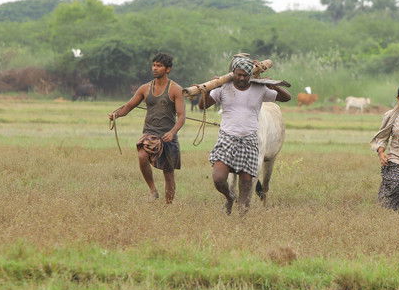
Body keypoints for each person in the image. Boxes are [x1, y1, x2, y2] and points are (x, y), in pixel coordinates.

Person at [200, 56, 291, 215]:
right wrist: (208, 88)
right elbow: (203, 105)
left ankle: (242, 217)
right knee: (218, 179)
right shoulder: (223, 87)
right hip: (226, 139)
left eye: (245, 75)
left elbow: (287, 98)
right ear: (232, 73)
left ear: (250, 75)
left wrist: (272, 85)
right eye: (238, 75)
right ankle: (229, 197)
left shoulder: (260, 89)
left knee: (246, 184)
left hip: (249, 141)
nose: (242, 78)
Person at [108, 53, 185, 203]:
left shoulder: (175, 89)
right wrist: (116, 115)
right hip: (149, 133)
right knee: (142, 155)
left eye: (159, 66)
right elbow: (129, 106)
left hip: (167, 136)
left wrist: (172, 132)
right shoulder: (144, 88)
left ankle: (168, 207)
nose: (155, 68)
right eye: (154, 65)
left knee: (168, 174)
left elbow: (181, 116)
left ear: (168, 69)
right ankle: (152, 190)